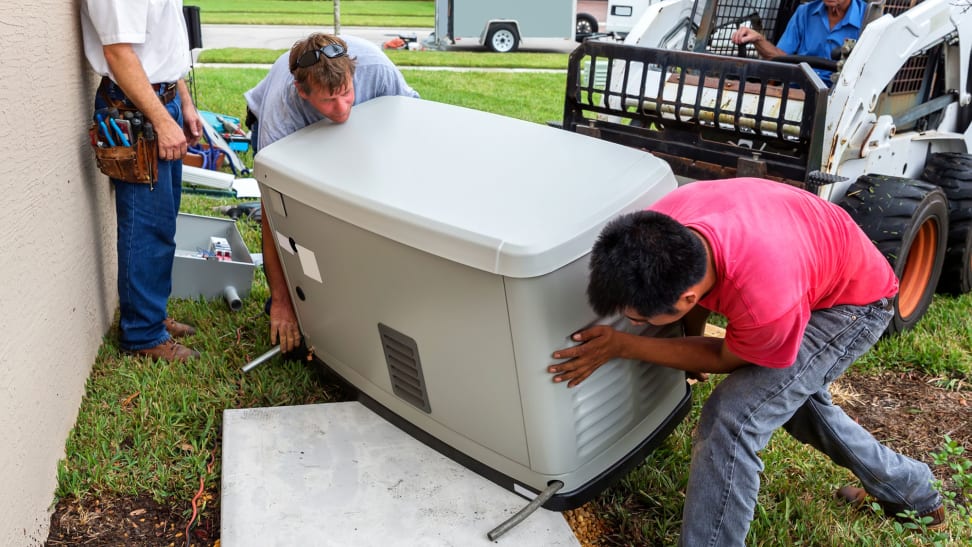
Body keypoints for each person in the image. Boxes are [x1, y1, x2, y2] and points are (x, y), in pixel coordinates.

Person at [546, 178, 946, 545]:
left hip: (853, 305)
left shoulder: (765, 301)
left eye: (639, 318)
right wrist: (685, 337)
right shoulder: (663, 226)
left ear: (685, 298)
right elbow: (697, 307)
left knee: (734, 418)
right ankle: (913, 492)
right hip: (813, 256)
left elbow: (726, 356)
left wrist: (624, 346)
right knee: (793, 401)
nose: (633, 324)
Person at [244, 33, 419, 355]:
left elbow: (409, 132)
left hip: (363, 130)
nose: (341, 109)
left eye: (347, 94)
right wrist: (282, 303)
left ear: (354, 75)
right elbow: (273, 213)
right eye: (328, 100)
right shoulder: (282, 111)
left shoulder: (377, 69)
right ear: (302, 92)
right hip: (291, 136)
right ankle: (292, 301)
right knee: (302, 218)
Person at [81, 0, 203, 361]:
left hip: (160, 98)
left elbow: (160, 47)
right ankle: (143, 335)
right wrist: (162, 121)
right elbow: (119, 54)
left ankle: (153, 315)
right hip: (135, 107)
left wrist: (183, 104)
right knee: (146, 225)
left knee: (162, 220)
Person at [731, 0, 866, 82]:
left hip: (842, 97)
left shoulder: (868, 17)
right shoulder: (804, 13)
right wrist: (758, 39)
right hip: (800, 88)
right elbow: (780, 58)